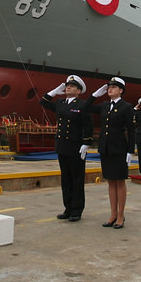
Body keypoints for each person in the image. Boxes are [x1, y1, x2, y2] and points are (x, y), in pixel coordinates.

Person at [38, 74, 96, 222]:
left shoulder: (82, 105)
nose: (68, 87)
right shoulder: (60, 103)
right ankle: (68, 208)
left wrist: (86, 143)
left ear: (78, 91)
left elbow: (88, 125)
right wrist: (53, 92)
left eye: (72, 86)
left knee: (77, 179)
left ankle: (77, 210)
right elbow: (43, 102)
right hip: (62, 146)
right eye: (67, 86)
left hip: (76, 147)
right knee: (66, 179)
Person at [90, 77, 134, 229]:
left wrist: (130, 151)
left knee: (120, 181)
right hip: (106, 148)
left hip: (119, 148)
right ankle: (112, 214)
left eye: (114, 87)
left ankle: (121, 215)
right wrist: (95, 95)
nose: (110, 89)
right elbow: (86, 107)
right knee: (110, 181)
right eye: (109, 87)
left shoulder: (126, 107)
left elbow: (132, 130)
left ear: (121, 90)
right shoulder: (104, 105)